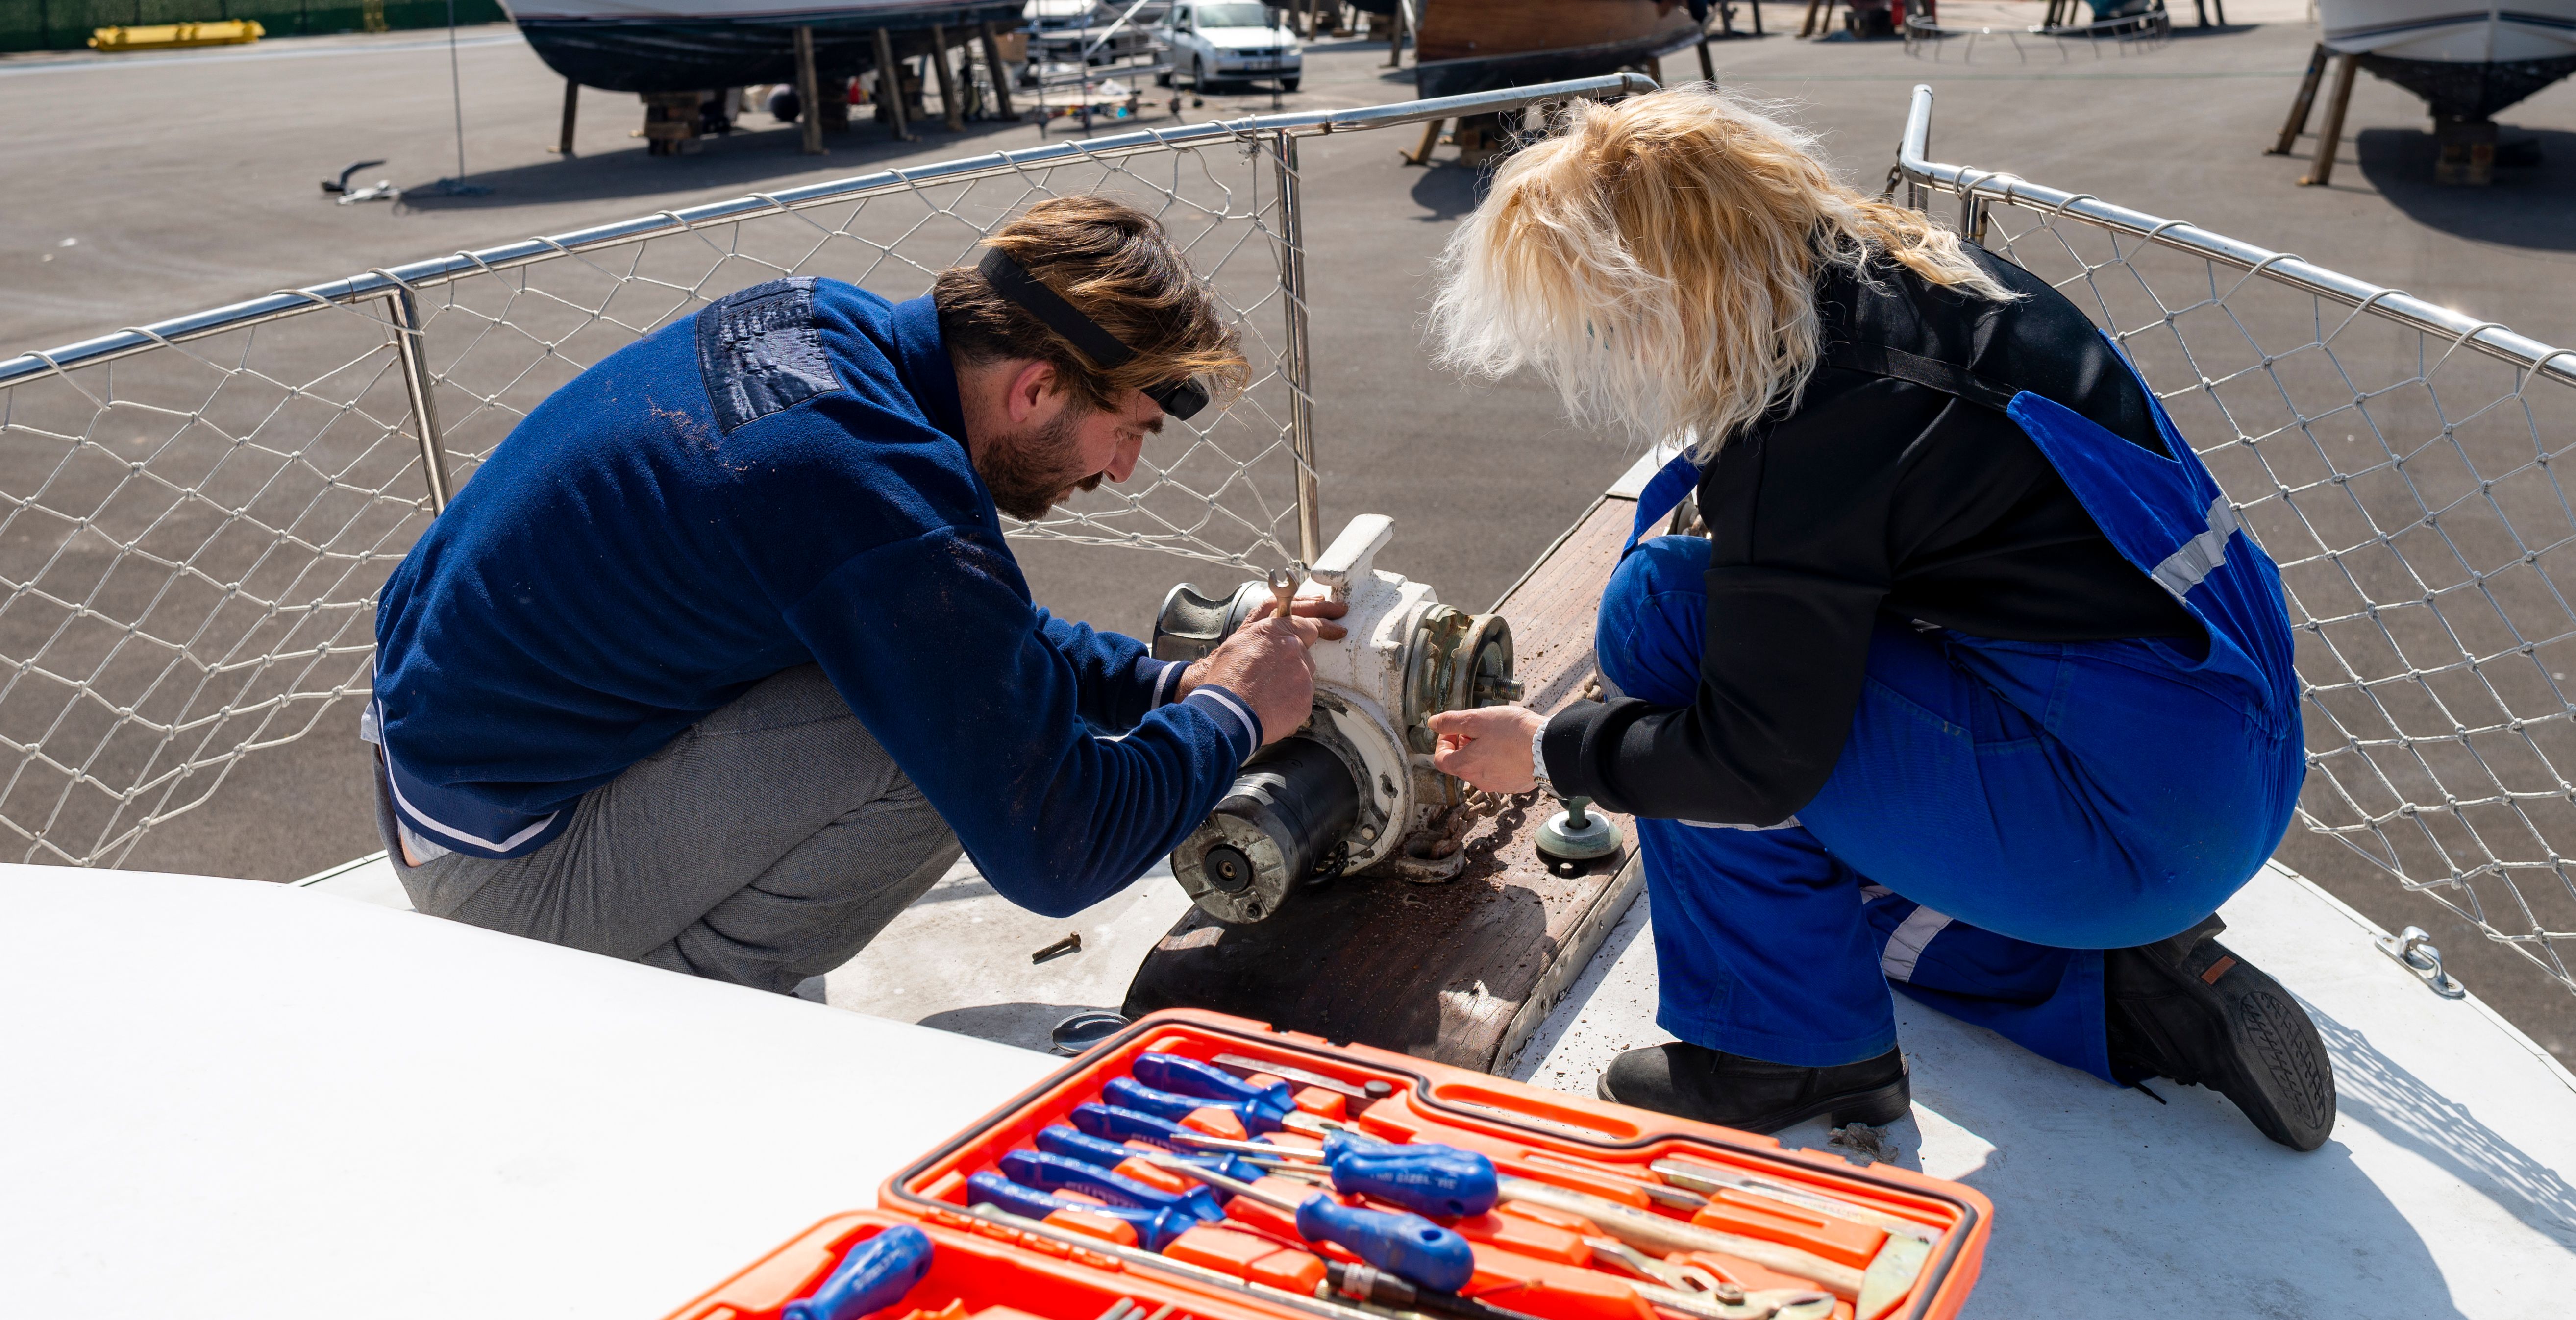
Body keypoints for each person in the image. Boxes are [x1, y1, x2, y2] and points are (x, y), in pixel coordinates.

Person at [1419, 90, 2336, 1151]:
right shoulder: (1934, 278)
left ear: (1665, 286)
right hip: (2228, 758)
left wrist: (1554, 751)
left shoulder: (1815, 413)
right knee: (1812, 852)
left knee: (1666, 615)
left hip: (2121, 823)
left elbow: (1753, 765)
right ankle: (2112, 989)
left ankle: (1789, 1059)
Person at [365, 195, 1339, 992]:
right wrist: (1231, 718)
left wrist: (1167, 687)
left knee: (934, 689)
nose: (1123, 469)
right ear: (1038, 390)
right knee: (939, 759)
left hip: (446, 780)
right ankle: (673, 1012)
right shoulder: (875, 494)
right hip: (505, 880)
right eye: (1129, 430)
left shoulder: (825, 327)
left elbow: (953, 625)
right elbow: (1059, 844)